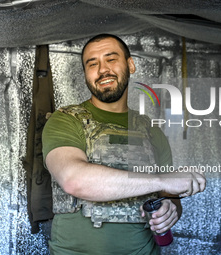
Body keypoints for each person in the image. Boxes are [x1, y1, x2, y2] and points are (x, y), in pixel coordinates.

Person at [42, 34, 206, 254]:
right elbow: (74, 180)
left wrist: (170, 209)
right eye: (93, 64)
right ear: (85, 75)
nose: (102, 70)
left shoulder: (150, 131)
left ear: (130, 65)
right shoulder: (66, 120)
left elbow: (169, 196)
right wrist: (161, 181)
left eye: (111, 59)